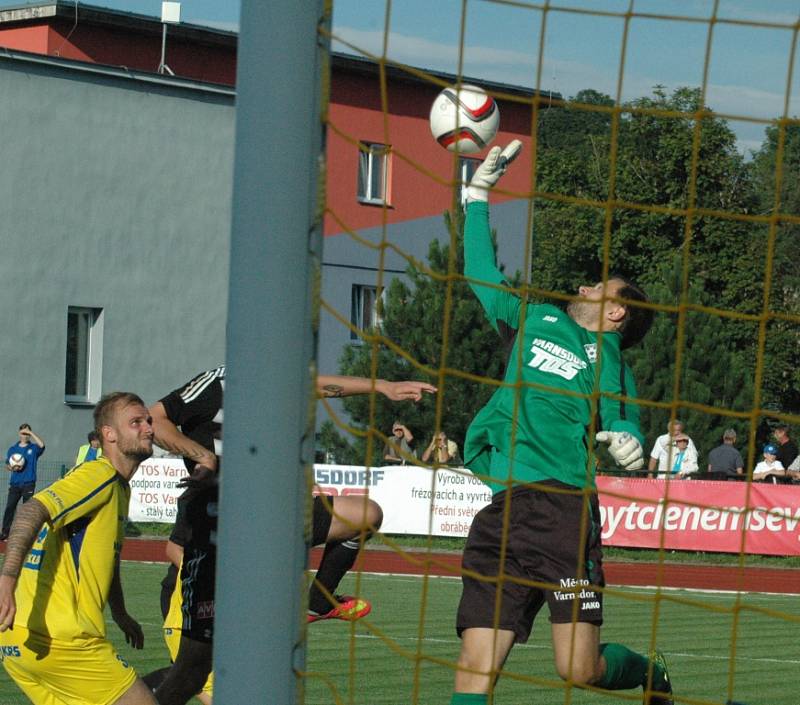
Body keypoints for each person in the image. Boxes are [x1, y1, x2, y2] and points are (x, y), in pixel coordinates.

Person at [448, 142, 672, 705]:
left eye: (600, 289)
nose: (583, 288)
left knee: (578, 671)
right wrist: (478, 196)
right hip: (503, 510)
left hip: (566, 512)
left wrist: (629, 442)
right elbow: (479, 269)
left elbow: (626, 422)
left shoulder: (613, 362)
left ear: (617, 313)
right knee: (476, 665)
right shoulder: (535, 318)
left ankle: (651, 677)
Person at [147, 368, 435, 705]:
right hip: (199, 597)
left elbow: (317, 384)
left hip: (268, 529)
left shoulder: (277, 400)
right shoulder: (214, 479)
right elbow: (174, 548)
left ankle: (319, 601)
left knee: (366, 514)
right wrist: (202, 456)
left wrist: (384, 386)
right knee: (190, 680)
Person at [0, 392, 157, 705]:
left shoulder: (115, 488)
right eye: (136, 422)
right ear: (108, 434)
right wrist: (6, 581)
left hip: (17, 641)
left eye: (149, 421)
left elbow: (105, 560)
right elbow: (31, 510)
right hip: (63, 640)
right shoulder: (100, 474)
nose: (149, 428)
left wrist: (120, 612)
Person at [1, 423, 45, 541]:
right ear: (19, 434)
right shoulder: (13, 449)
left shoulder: (33, 448)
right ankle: (5, 532)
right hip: (15, 483)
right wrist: (12, 468)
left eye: (27, 434)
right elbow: (8, 465)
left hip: (28, 484)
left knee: (26, 510)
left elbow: (42, 445)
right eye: (23, 433)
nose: (24, 436)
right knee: (10, 507)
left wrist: (31, 433)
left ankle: (26, 534)